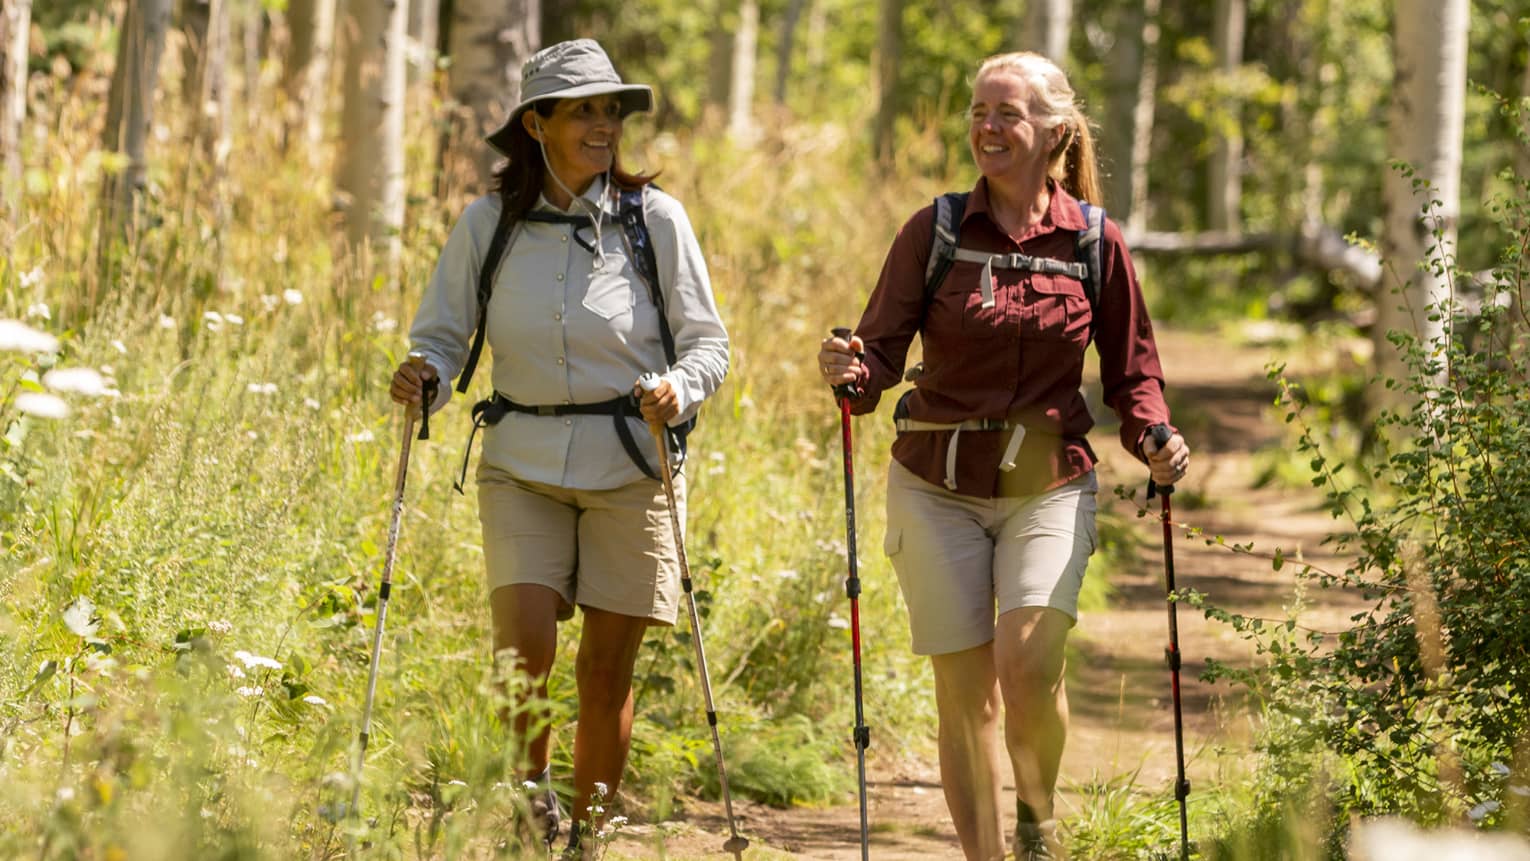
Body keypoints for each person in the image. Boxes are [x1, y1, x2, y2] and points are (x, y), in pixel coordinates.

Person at [817, 52, 1190, 861]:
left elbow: (1135, 374)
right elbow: (877, 354)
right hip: (934, 484)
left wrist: (1154, 435)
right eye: (979, 112)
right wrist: (850, 371)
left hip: (1048, 485)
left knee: (1028, 663)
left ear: (1054, 130)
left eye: (1007, 113)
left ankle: (1037, 819)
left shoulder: (1095, 241)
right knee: (965, 696)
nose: (987, 127)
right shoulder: (937, 230)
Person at [389, 39, 729, 859]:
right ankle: (528, 807)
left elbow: (708, 346)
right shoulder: (488, 224)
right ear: (536, 123)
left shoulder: (657, 221)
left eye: (612, 109)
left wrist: (677, 390)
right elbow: (440, 337)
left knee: (604, 670)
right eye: (586, 110)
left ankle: (591, 836)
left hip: (634, 465)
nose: (606, 124)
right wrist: (424, 376)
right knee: (524, 651)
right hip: (522, 461)